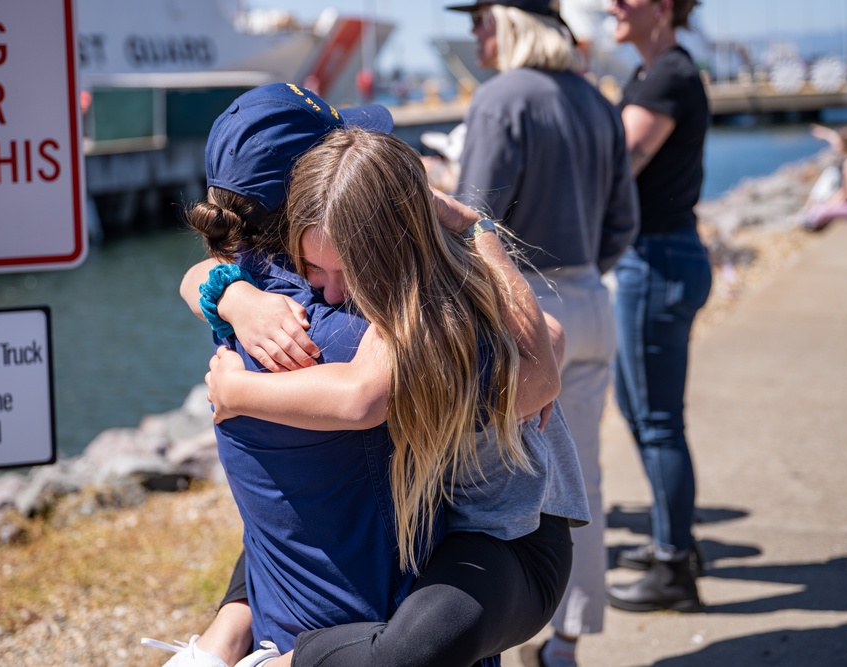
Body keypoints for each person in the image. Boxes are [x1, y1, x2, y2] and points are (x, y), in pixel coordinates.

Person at [158, 83, 590, 667]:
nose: (328, 289)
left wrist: (237, 389)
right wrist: (233, 295)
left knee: (412, 650)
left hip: (514, 527)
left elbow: (369, 395)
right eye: (314, 267)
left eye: (339, 269)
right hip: (449, 516)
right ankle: (226, 636)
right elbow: (203, 271)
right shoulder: (298, 279)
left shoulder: (412, 282)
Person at [443, 3, 639, 666]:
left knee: (496, 491)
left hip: (527, 312)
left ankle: (498, 635)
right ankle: (567, 640)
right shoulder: (598, 100)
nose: (474, 31)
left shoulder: (502, 99)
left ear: (511, 21)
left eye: (480, 17)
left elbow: (472, 220)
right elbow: (624, 221)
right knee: (583, 485)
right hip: (590, 297)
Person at [602, 0, 711, 615]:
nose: (613, 4)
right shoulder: (651, 72)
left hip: (659, 259)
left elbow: (621, 164)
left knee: (659, 419)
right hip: (655, 258)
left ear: (663, 7)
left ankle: (675, 567)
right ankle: (677, 544)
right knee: (639, 409)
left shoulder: (669, 72)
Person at [800, 124, 847, 232]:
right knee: (820, 208)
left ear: (845, 145)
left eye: (838, 142)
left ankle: (814, 226)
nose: (835, 145)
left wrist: (833, 203)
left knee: (820, 212)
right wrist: (824, 133)